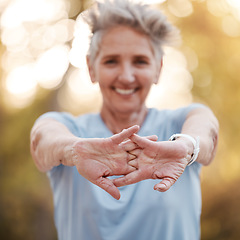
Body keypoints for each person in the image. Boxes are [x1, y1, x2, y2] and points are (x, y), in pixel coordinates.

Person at [30, 0, 219, 239]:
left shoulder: (181, 124)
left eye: (140, 61)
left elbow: (206, 132)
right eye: (111, 61)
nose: (126, 76)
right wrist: (74, 152)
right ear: (91, 68)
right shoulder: (69, 129)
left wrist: (188, 146)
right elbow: (42, 139)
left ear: (158, 68)